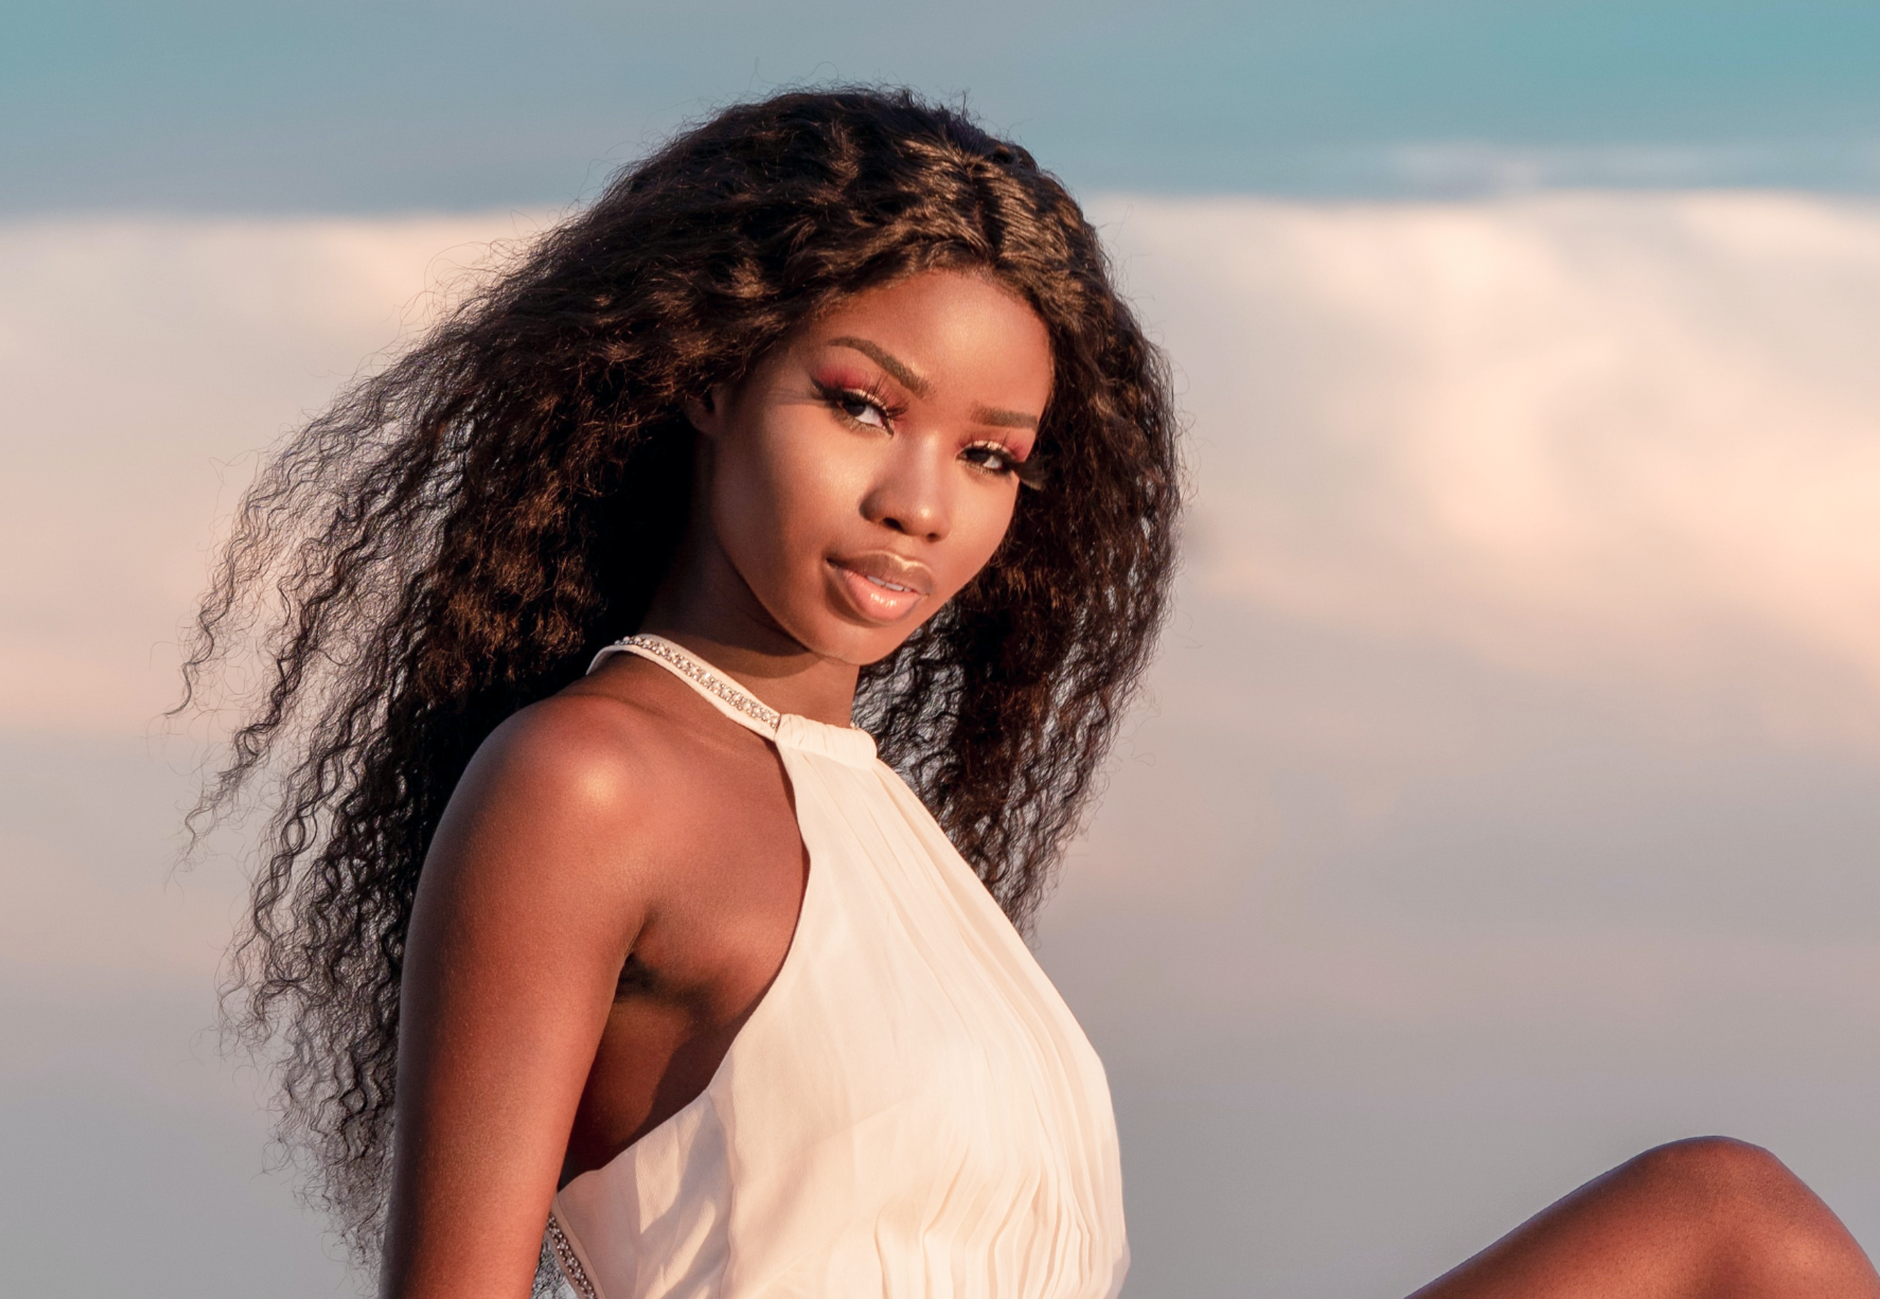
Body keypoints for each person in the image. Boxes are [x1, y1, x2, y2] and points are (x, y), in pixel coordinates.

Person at [182, 88, 1880, 1299]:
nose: (921, 500)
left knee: (1731, 1224)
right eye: (861, 404)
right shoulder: (591, 781)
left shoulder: (881, 821)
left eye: (989, 454)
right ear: (708, 379)